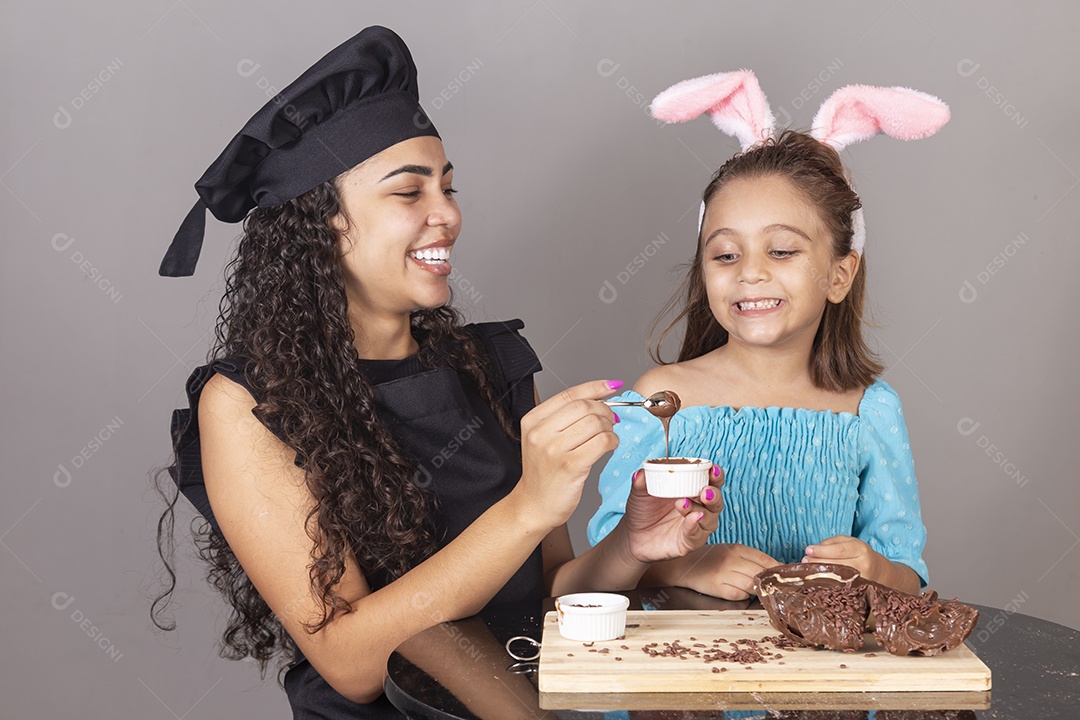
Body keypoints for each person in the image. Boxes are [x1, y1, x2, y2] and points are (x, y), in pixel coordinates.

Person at [152, 27, 723, 719]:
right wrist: (528, 505)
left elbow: (549, 596)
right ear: (321, 221)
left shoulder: (495, 366)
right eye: (408, 193)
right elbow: (351, 663)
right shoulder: (245, 404)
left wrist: (632, 544)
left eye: (447, 187)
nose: (447, 215)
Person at [589, 70, 951, 602]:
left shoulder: (868, 410)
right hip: (679, 673)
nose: (749, 273)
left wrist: (872, 567)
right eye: (725, 254)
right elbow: (608, 555)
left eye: (781, 250)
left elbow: (908, 577)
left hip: (819, 675)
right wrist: (690, 566)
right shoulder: (661, 399)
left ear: (839, 275)